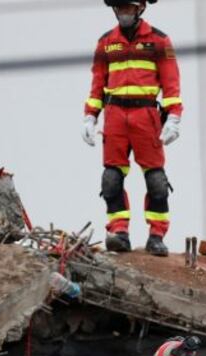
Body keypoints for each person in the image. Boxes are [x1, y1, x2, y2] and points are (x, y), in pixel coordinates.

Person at [83, 0, 183, 257]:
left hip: (145, 116)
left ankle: (157, 235)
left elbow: (171, 83)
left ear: (140, 9)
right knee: (111, 179)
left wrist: (173, 117)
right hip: (115, 116)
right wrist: (90, 117)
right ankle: (119, 232)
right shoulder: (106, 42)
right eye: (120, 8)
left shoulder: (159, 41)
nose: (124, 13)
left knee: (157, 180)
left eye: (129, 8)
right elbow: (97, 84)